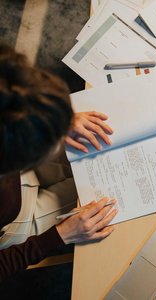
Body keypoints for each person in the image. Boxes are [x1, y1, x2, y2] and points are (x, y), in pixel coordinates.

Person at [0, 44, 117, 281]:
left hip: (12, 179)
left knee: (94, 159)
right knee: (105, 193)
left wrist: (55, 116)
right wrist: (59, 236)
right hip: (8, 222)